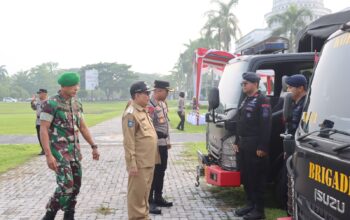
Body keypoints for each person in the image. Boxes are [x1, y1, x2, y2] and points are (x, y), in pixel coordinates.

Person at [40, 72, 100, 220]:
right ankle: (49, 215)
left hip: (74, 152)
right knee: (66, 185)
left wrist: (93, 146)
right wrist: (48, 155)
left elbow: (83, 127)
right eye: (73, 86)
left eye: (77, 85)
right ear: (63, 86)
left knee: (76, 186)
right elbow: (43, 129)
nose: (76, 88)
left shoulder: (76, 104)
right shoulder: (51, 104)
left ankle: (69, 214)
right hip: (59, 153)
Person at [233, 72, 271, 220]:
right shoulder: (245, 100)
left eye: (245, 83)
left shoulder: (262, 100)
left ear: (254, 84)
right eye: (242, 84)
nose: (243, 86)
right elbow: (240, 122)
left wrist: (263, 147)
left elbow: (266, 125)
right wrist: (236, 141)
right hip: (243, 144)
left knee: (257, 178)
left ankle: (259, 210)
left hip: (255, 145)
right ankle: (250, 204)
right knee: (247, 177)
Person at [122, 81, 159, 220]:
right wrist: (132, 163)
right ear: (137, 95)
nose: (148, 96)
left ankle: (144, 217)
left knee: (144, 194)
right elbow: (129, 140)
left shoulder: (142, 110)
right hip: (139, 163)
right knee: (137, 196)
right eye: (146, 93)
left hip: (148, 161)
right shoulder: (131, 113)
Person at [147, 80, 174, 214]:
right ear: (158, 91)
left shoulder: (162, 104)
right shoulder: (150, 105)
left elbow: (165, 124)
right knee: (153, 172)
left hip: (163, 144)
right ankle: (149, 201)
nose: (167, 94)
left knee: (161, 171)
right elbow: (148, 126)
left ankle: (158, 197)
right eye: (166, 91)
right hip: (154, 145)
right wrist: (159, 135)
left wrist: (167, 140)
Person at [30, 88, 48, 155]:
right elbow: (34, 108)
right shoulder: (38, 102)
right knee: (39, 136)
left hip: (46, 121)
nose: (39, 95)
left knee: (46, 136)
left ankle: (48, 149)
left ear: (44, 94)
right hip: (38, 121)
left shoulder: (48, 101)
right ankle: (43, 150)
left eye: (40, 93)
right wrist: (32, 102)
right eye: (38, 93)